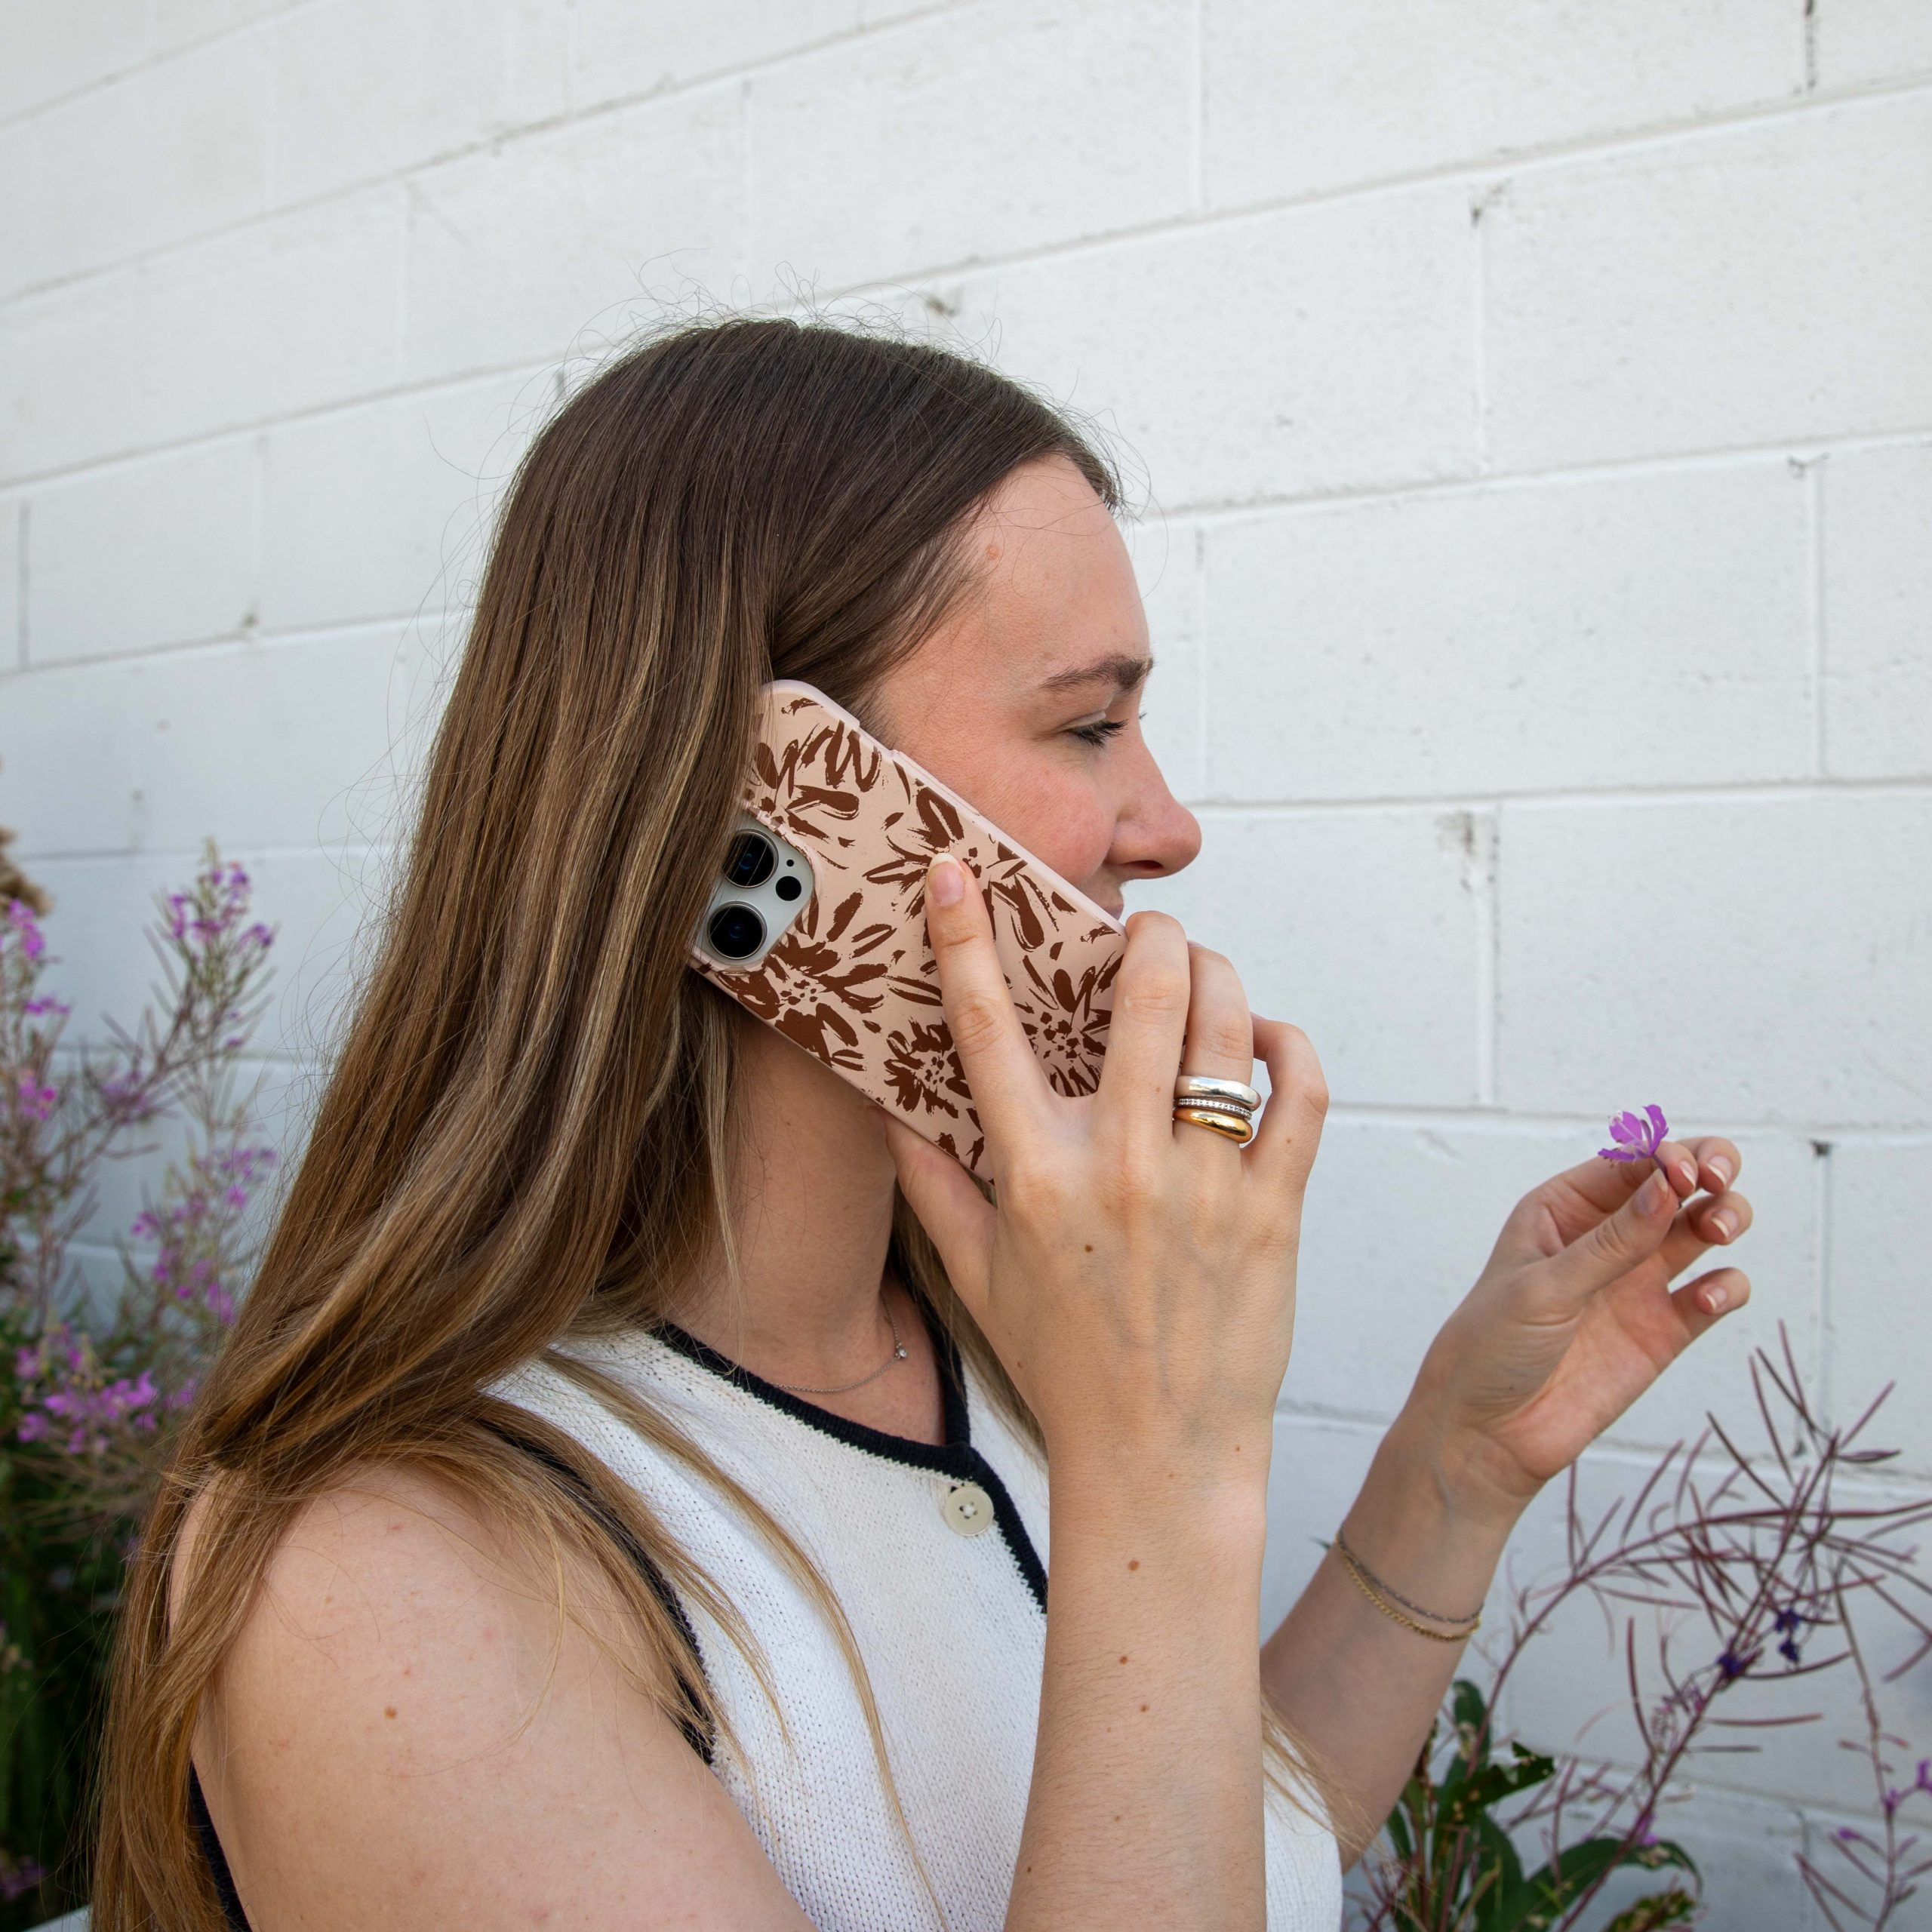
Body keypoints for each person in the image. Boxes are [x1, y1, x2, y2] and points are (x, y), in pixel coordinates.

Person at [91, 315, 1755, 1932]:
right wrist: (1159, 1465)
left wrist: (1452, 1470)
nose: (1166, 825)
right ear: (773, 811)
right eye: (1088, 723)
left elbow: (1223, 1832)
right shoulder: (387, 1573)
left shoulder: (997, 1335)